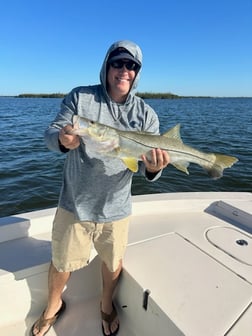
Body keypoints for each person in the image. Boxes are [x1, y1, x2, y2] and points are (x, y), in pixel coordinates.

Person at [31, 40, 170, 336]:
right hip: (75, 204)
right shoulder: (81, 99)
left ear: (137, 73)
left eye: (131, 66)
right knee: (61, 262)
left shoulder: (146, 115)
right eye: (118, 63)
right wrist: (63, 140)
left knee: (112, 263)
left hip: (116, 207)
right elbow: (52, 132)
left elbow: (148, 168)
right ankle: (53, 307)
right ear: (106, 66)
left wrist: (155, 168)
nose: (124, 71)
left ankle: (106, 305)